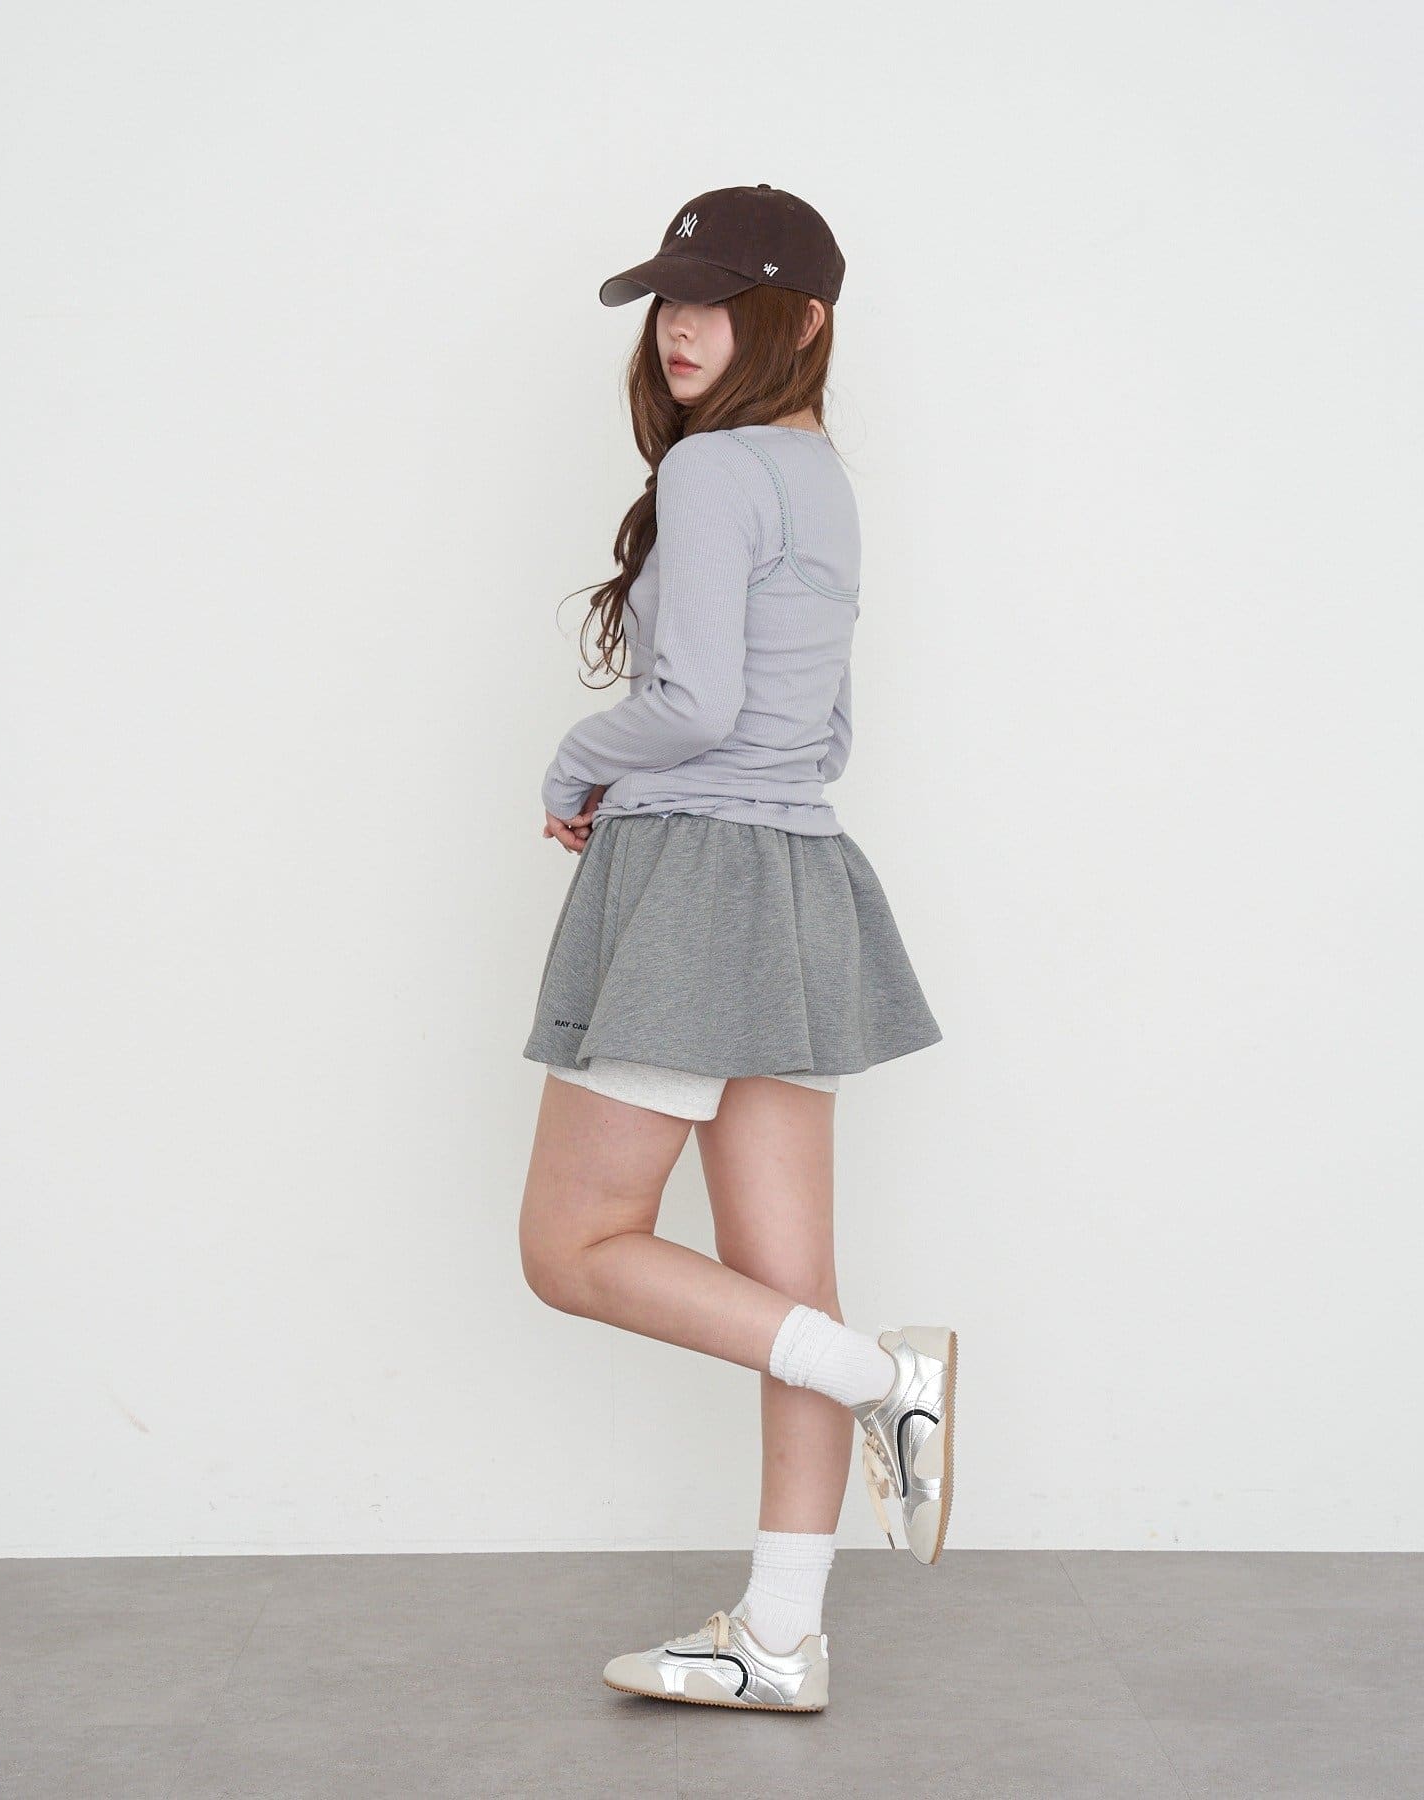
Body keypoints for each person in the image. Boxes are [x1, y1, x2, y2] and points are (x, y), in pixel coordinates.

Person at [518, 184, 955, 1714]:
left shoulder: (712, 472)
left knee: (572, 1248)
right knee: (791, 1286)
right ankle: (779, 1639)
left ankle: (883, 1380)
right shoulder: (821, 480)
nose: (681, 324)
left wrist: (577, 764)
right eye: (671, 297)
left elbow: (694, 705)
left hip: (695, 879)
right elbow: (821, 733)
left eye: (718, 296)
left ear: (805, 319)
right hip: (796, 876)